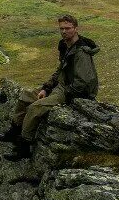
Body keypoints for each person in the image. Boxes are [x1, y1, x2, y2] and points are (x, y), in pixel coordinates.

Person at [14, 15, 99, 145]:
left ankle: (24, 145)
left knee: (34, 108)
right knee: (25, 96)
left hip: (71, 91)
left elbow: (84, 82)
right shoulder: (66, 46)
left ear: (76, 28)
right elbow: (60, 71)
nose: (64, 31)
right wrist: (46, 88)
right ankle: (14, 130)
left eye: (68, 28)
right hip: (61, 86)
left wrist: (66, 96)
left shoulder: (81, 52)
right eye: (61, 29)